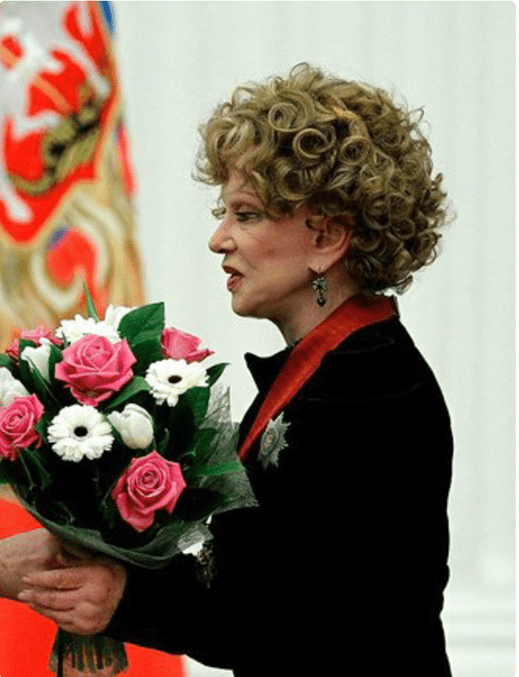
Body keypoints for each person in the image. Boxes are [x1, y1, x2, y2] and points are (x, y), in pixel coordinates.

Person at [1, 63, 453, 676]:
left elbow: (308, 624)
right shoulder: (331, 368)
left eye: (246, 214)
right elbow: (260, 583)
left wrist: (122, 596)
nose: (219, 239)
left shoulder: (371, 389)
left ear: (326, 238)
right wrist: (91, 560)